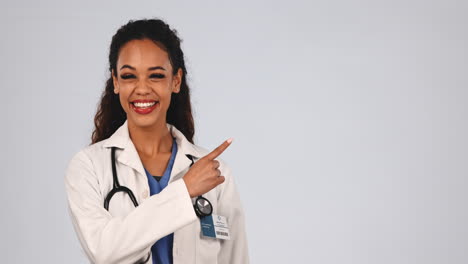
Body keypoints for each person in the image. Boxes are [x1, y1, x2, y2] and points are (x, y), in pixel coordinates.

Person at [64, 18, 249, 264]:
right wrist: (184, 191)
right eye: (129, 76)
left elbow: (235, 259)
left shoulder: (215, 174)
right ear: (116, 82)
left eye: (156, 76)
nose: (142, 89)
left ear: (176, 81)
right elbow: (103, 250)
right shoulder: (89, 167)